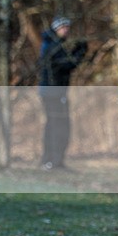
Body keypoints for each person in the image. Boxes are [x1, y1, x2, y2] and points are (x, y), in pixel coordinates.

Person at [38, 16, 87, 170]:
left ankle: (53, 160)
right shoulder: (51, 47)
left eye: (67, 27)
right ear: (56, 29)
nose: (66, 30)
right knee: (59, 126)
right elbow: (65, 66)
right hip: (54, 94)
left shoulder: (54, 45)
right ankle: (52, 161)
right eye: (62, 27)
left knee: (55, 125)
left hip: (54, 92)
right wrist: (80, 53)